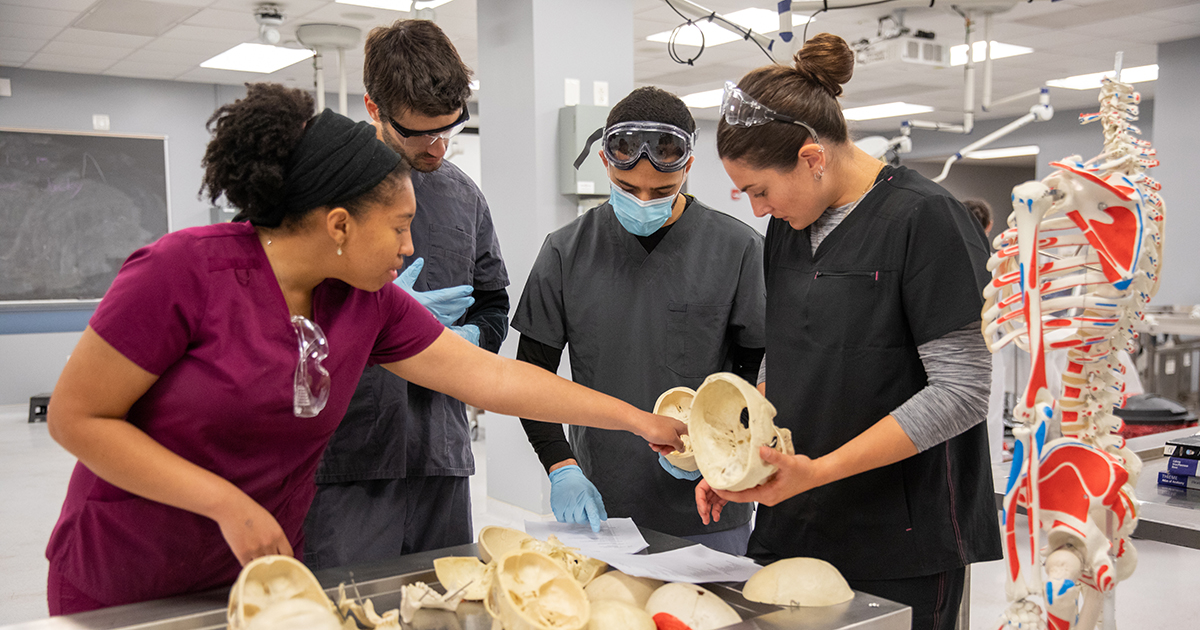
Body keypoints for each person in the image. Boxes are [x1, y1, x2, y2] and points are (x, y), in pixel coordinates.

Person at [43, 83, 684, 615]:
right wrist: (224, 502)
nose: (409, 249)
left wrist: (638, 420)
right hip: (129, 568)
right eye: (401, 227)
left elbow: (492, 379)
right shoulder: (181, 272)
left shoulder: (363, 300)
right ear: (340, 225)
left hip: (262, 570)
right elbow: (78, 417)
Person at [694, 34, 1001, 630]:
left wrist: (820, 471)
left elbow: (963, 390)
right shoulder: (791, 224)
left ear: (812, 158)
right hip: (794, 519)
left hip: (898, 534)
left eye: (760, 189)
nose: (757, 210)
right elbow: (789, 354)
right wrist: (737, 458)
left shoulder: (926, 219)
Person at [514, 87, 765, 555]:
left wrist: (722, 450)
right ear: (607, 166)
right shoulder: (566, 252)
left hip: (710, 511)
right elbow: (532, 379)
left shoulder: (738, 250)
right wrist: (561, 467)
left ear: (688, 169)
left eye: (663, 191)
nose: (644, 201)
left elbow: (763, 373)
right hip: (602, 509)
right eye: (628, 189)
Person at [303, 19, 508, 570]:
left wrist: (470, 340)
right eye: (420, 133)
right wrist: (372, 316)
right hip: (348, 458)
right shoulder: (319, 188)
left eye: (451, 128)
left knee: (445, 606)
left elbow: (493, 302)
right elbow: (277, 309)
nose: (438, 146)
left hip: (440, 452)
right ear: (374, 107)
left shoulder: (464, 197)